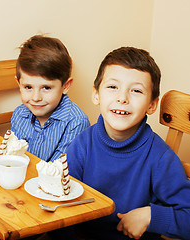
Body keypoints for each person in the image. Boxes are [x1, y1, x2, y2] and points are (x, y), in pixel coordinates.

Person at [66, 47, 190, 239]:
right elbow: (63, 201)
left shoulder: (160, 158)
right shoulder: (83, 144)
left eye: (136, 90)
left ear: (152, 105)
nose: (122, 98)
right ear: (96, 94)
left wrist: (151, 216)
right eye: (113, 87)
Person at [11, 35, 90, 162]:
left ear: (65, 86)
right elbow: (14, 155)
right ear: (19, 84)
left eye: (46, 88)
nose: (36, 98)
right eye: (28, 87)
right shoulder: (20, 114)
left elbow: (58, 170)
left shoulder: (76, 122)